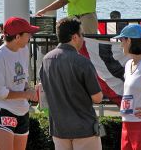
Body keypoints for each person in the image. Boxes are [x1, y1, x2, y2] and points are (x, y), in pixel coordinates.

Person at [40, 17, 103, 150]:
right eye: (82, 35)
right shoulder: (83, 62)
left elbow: (44, 89)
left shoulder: (46, 60)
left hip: (59, 129)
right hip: (84, 128)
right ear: (75, 37)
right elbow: (97, 98)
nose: (83, 38)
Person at [0, 16, 40, 150]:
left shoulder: (24, 49)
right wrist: (26, 94)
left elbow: (23, 80)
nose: (30, 36)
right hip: (3, 110)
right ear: (17, 37)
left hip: (22, 111)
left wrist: (31, 91)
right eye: (28, 34)